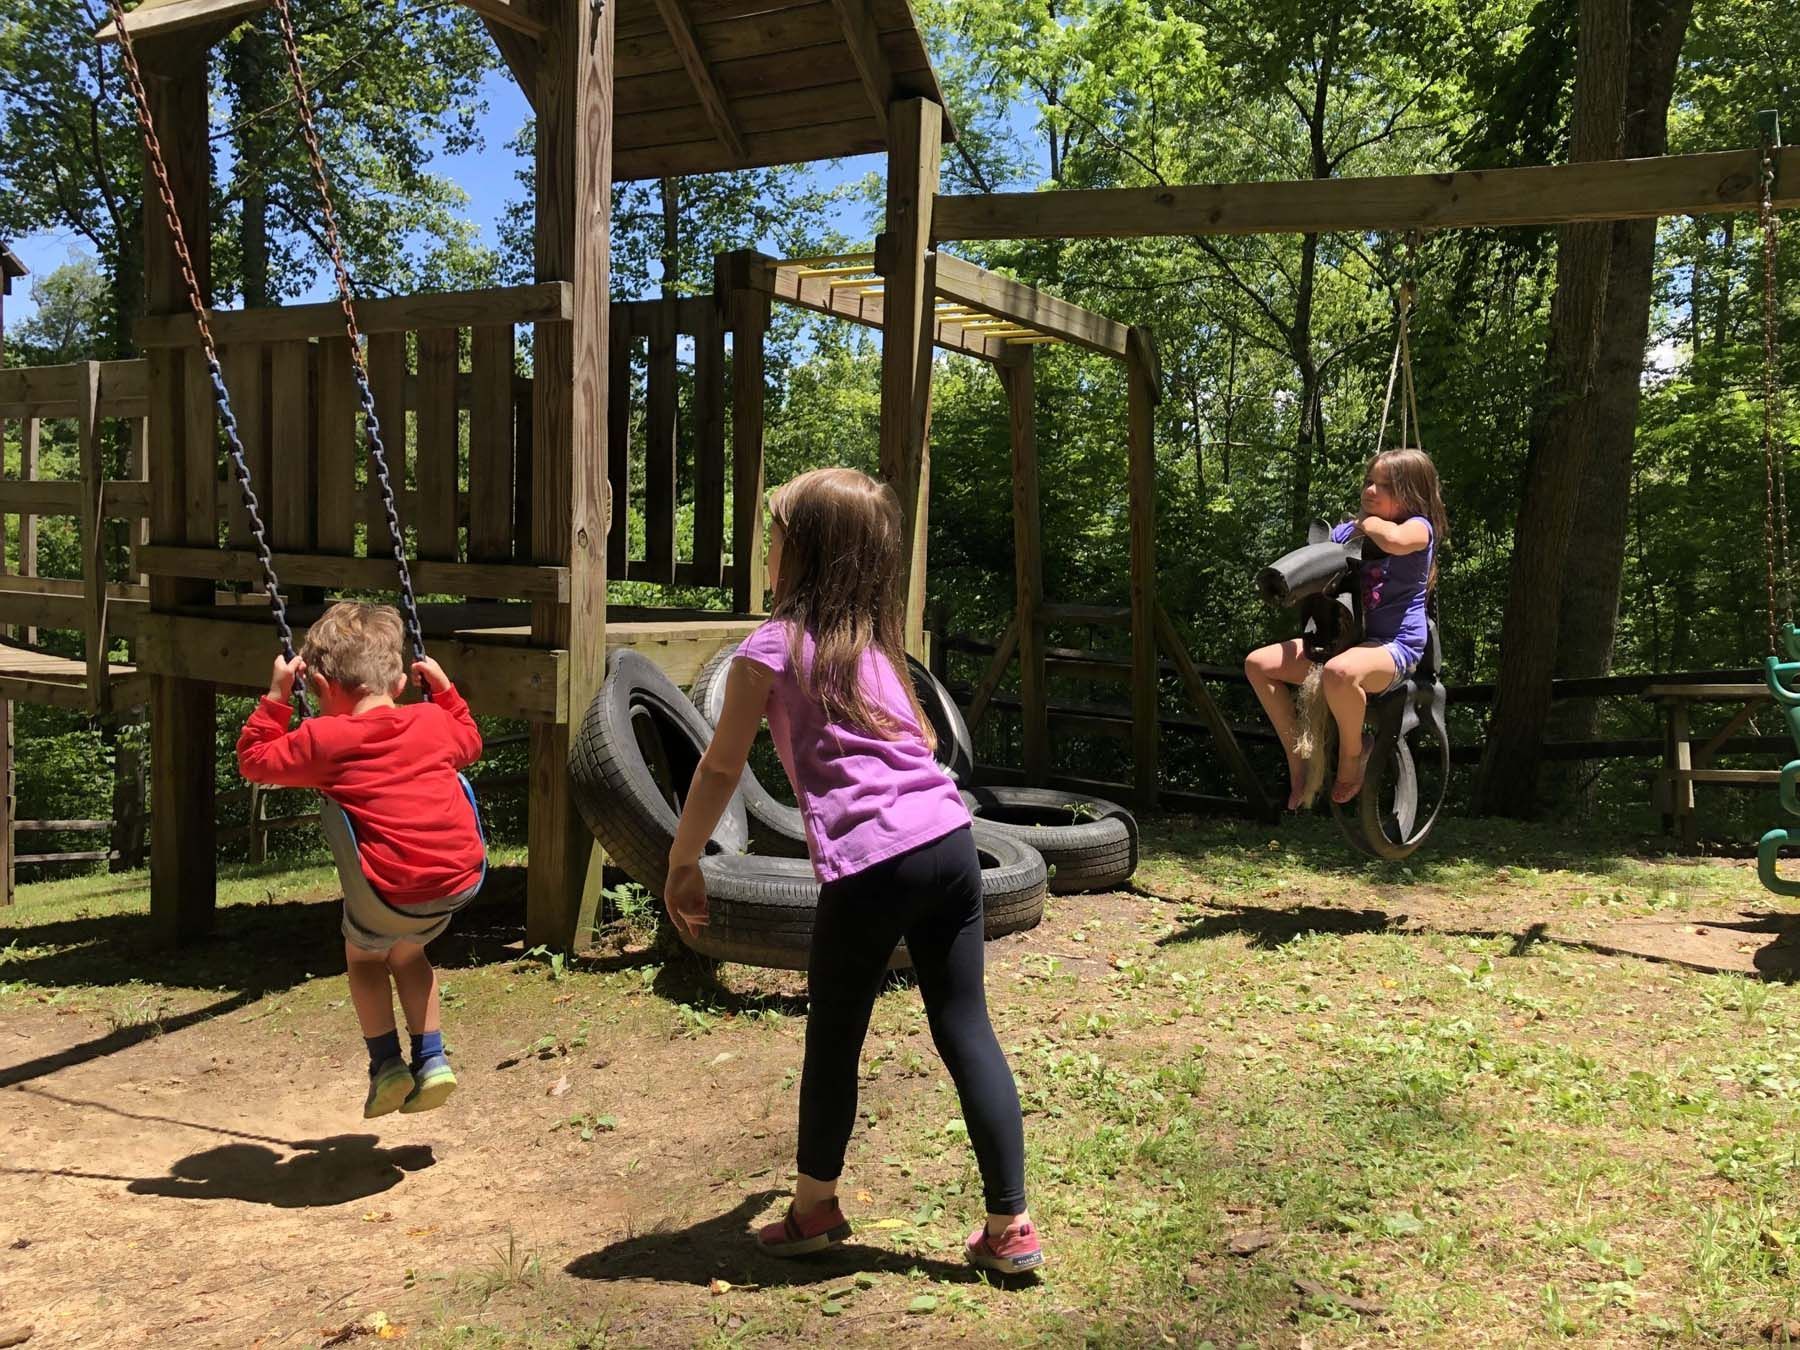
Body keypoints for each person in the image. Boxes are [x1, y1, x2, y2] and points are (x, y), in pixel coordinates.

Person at [663, 467, 1043, 1276]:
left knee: (836, 1035)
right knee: (964, 1024)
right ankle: (1010, 1228)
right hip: (950, 842)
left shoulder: (767, 649)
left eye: (774, 534)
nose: (766, 547)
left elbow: (719, 770)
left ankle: (814, 1210)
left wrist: (683, 857)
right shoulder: (877, 650)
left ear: (800, 553)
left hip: (872, 863)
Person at [237, 602, 485, 1118]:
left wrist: (279, 695)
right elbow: (472, 740)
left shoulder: (322, 739)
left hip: (389, 893)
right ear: (399, 685)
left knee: (365, 958)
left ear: (322, 688)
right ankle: (433, 1059)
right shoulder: (433, 722)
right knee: (409, 954)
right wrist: (444, 691)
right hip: (459, 882)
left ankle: (386, 1066)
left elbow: (254, 760)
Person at [1245, 447, 1447, 808]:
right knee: (1258, 664)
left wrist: (1368, 525)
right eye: (1369, 481)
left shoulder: (1419, 528)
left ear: (1412, 493)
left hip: (1394, 646)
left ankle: (1353, 757)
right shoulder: (1348, 531)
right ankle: (1300, 760)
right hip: (1347, 640)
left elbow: (1396, 541)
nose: (1370, 490)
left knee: (1338, 673)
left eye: (1384, 486)